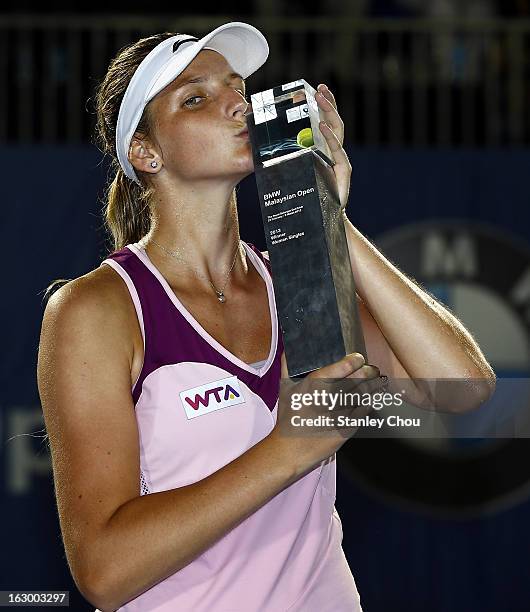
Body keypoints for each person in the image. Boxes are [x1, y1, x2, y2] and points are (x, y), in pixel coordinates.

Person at [37, 21, 495, 612]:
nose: (237, 105)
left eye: (237, 89)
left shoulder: (298, 281)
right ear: (145, 153)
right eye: (196, 98)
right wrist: (290, 449)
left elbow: (463, 389)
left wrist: (326, 216)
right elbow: (104, 571)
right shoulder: (95, 309)